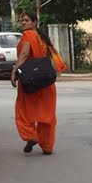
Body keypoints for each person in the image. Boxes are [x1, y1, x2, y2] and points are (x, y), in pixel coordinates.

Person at [10, 11, 57, 155]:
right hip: (46, 81)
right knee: (47, 115)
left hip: (30, 81)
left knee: (23, 111)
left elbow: (24, 54)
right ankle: (47, 146)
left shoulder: (28, 36)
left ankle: (31, 136)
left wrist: (14, 71)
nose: (23, 22)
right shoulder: (44, 38)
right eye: (22, 20)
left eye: (27, 20)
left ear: (35, 22)